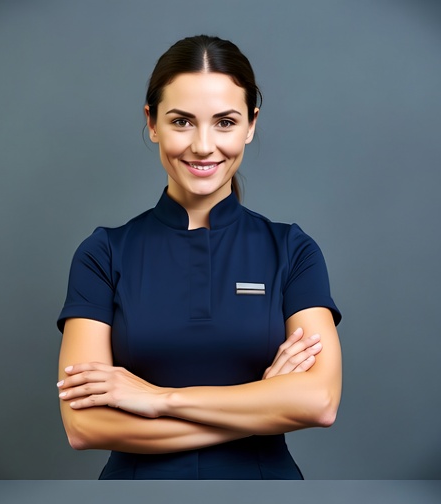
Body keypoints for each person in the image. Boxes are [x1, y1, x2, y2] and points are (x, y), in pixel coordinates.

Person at [56, 36, 342, 479]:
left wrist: (158, 399)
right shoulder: (102, 254)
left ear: (251, 124)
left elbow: (319, 402)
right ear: (152, 123)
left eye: (225, 122)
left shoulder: (293, 250)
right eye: (182, 121)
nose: (204, 146)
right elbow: (84, 425)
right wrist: (261, 403)